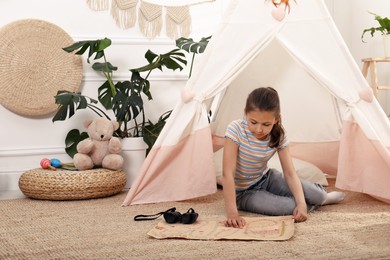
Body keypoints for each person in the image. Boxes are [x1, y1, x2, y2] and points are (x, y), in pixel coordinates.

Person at [222, 87, 345, 228]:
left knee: (317, 196)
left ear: (276, 119)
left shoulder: (279, 134)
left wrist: (302, 204)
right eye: (253, 122)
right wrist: (232, 213)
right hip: (243, 192)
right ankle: (314, 202)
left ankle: (322, 199)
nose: (258, 129)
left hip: (267, 178)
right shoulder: (235, 129)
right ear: (245, 113)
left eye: (266, 124)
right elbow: (228, 174)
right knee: (290, 207)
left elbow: (290, 173)